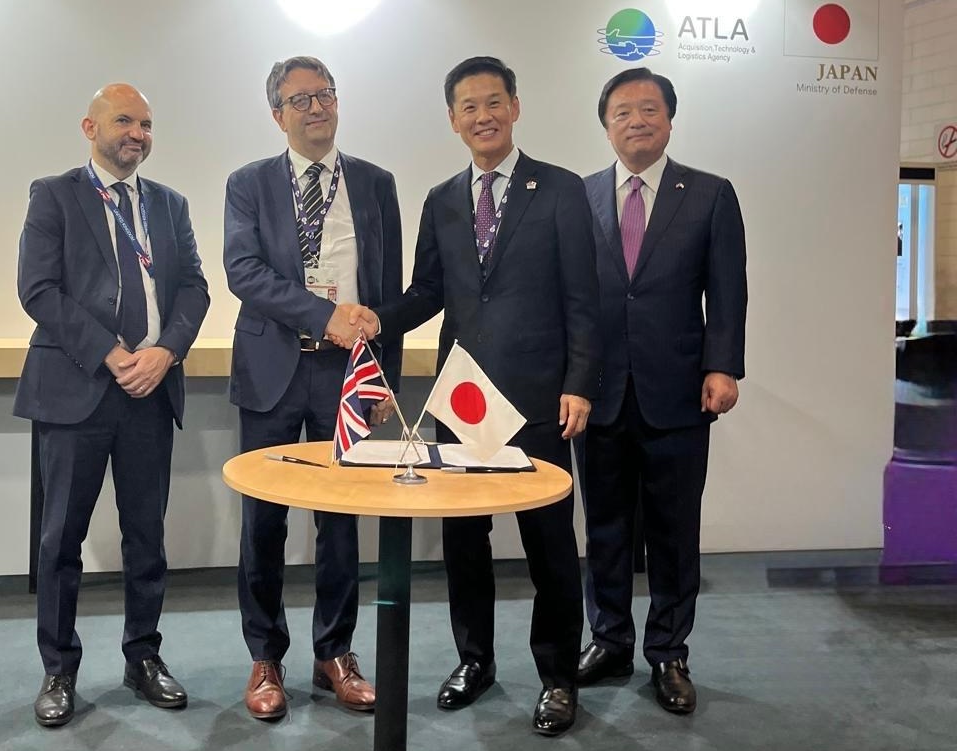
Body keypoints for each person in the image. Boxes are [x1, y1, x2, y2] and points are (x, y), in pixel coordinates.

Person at [353, 56, 600, 736]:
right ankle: (475, 660)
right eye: (469, 106)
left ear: (515, 107)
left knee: (550, 544)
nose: (483, 116)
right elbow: (429, 292)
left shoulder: (560, 189)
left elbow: (585, 297)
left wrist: (580, 383)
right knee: (464, 541)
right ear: (453, 119)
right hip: (461, 399)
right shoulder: (441, 199)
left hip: (541, 399)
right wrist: (377, 320)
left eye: (494, 102)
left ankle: (557, 676)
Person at [14, 83, 210, 727]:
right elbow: (38, 289)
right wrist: (110, 353)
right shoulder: (55, 195)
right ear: (90, 126)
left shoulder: (169, 204)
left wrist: (167, 352)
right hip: (77, 389)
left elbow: (194, 288)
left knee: (146, 536)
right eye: (124, 120)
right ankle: (59, 668)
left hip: (150, 392)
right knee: (60, 540)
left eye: (146, 124)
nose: (137, 134)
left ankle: (143, 657)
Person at [223, 55, 403, 720]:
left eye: (325, 94)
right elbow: (243, 271)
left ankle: (336, 653)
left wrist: (383, 378)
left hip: (345, 375)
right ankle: (265, 655)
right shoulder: (248, 184)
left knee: (341, 522)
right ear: (278, 115)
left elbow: (387, 291)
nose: (316, 107)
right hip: (272, 369)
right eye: (300, 99)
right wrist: (323, 314)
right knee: (263, 522)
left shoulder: (376, 183)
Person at [576, 67, 747, 715]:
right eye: (622, 111)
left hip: (678, 393)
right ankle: (609, 640)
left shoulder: (708, 194)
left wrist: (722, 366)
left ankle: (669, 652)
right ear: (606, 126)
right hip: (599, 395)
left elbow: (727, 290)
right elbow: (569, 298)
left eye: (649, 109)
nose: (636, 121)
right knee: (606, 527)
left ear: (670, 120)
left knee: (675, 530)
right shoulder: (580, 196)